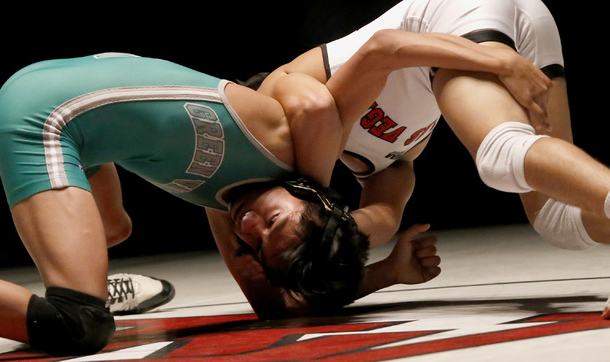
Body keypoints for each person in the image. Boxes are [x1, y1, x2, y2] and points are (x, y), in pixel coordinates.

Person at [0, 35, 544, 356]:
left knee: (112, 231)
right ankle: (88, 290)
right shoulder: (300, 150)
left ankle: (95, 276)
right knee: (79, 326)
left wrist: (386, 274)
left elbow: (273, 306)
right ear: (315, 200)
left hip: (82, 106)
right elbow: (347, 80)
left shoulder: (239, 212)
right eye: (273, 223)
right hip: (50, 115)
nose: (249, 225)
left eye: (256, 243)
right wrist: (497, 58)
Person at [252, 0, 610, 316]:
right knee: (556, 218)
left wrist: (496, 59)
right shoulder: (381, 168)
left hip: (454, 23)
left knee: (500, 155)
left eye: (271, 223)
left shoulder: (291, 107)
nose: (253, 224)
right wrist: (375, 269)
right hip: (504, 24)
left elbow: (383, 48)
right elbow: (383, 221)